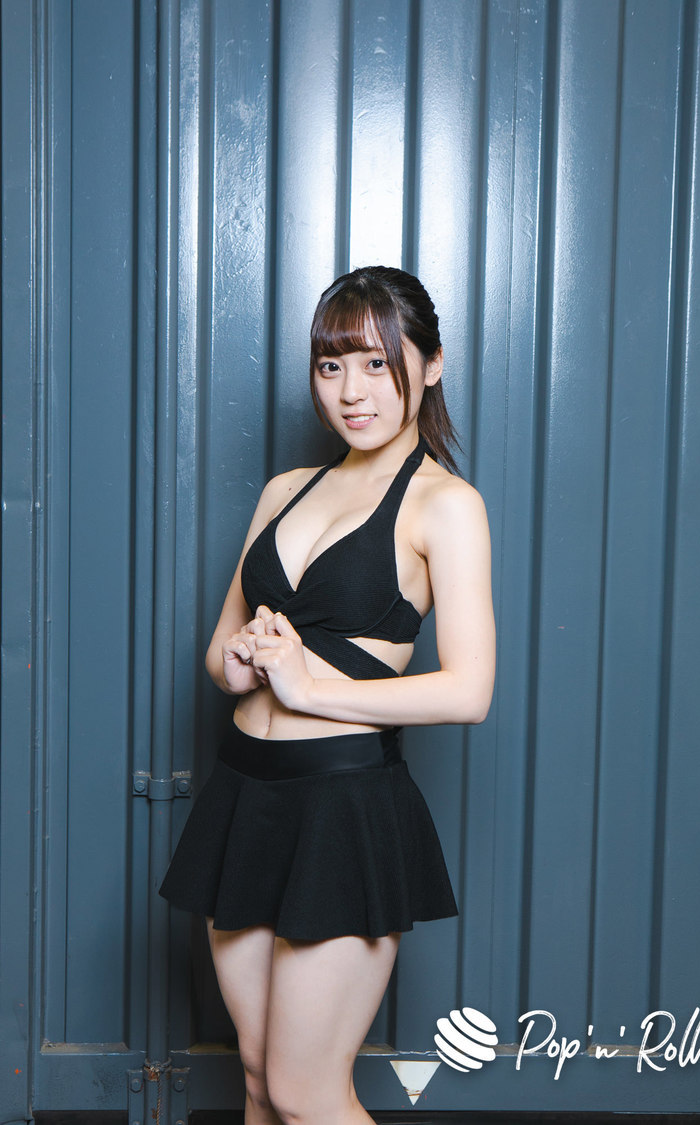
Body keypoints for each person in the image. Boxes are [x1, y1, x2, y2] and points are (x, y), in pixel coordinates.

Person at [159, 265, 495, 1125]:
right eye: (332, 365)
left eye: (378, 364)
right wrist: (242, 663)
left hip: (343, 807)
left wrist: (312, 684)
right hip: (245, 797)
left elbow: (469, 691)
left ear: (431, 365)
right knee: (257, 1078)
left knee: (307, 1091)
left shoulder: (445, 505)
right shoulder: (286, 491)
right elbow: (220, 654)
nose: (351, 391)